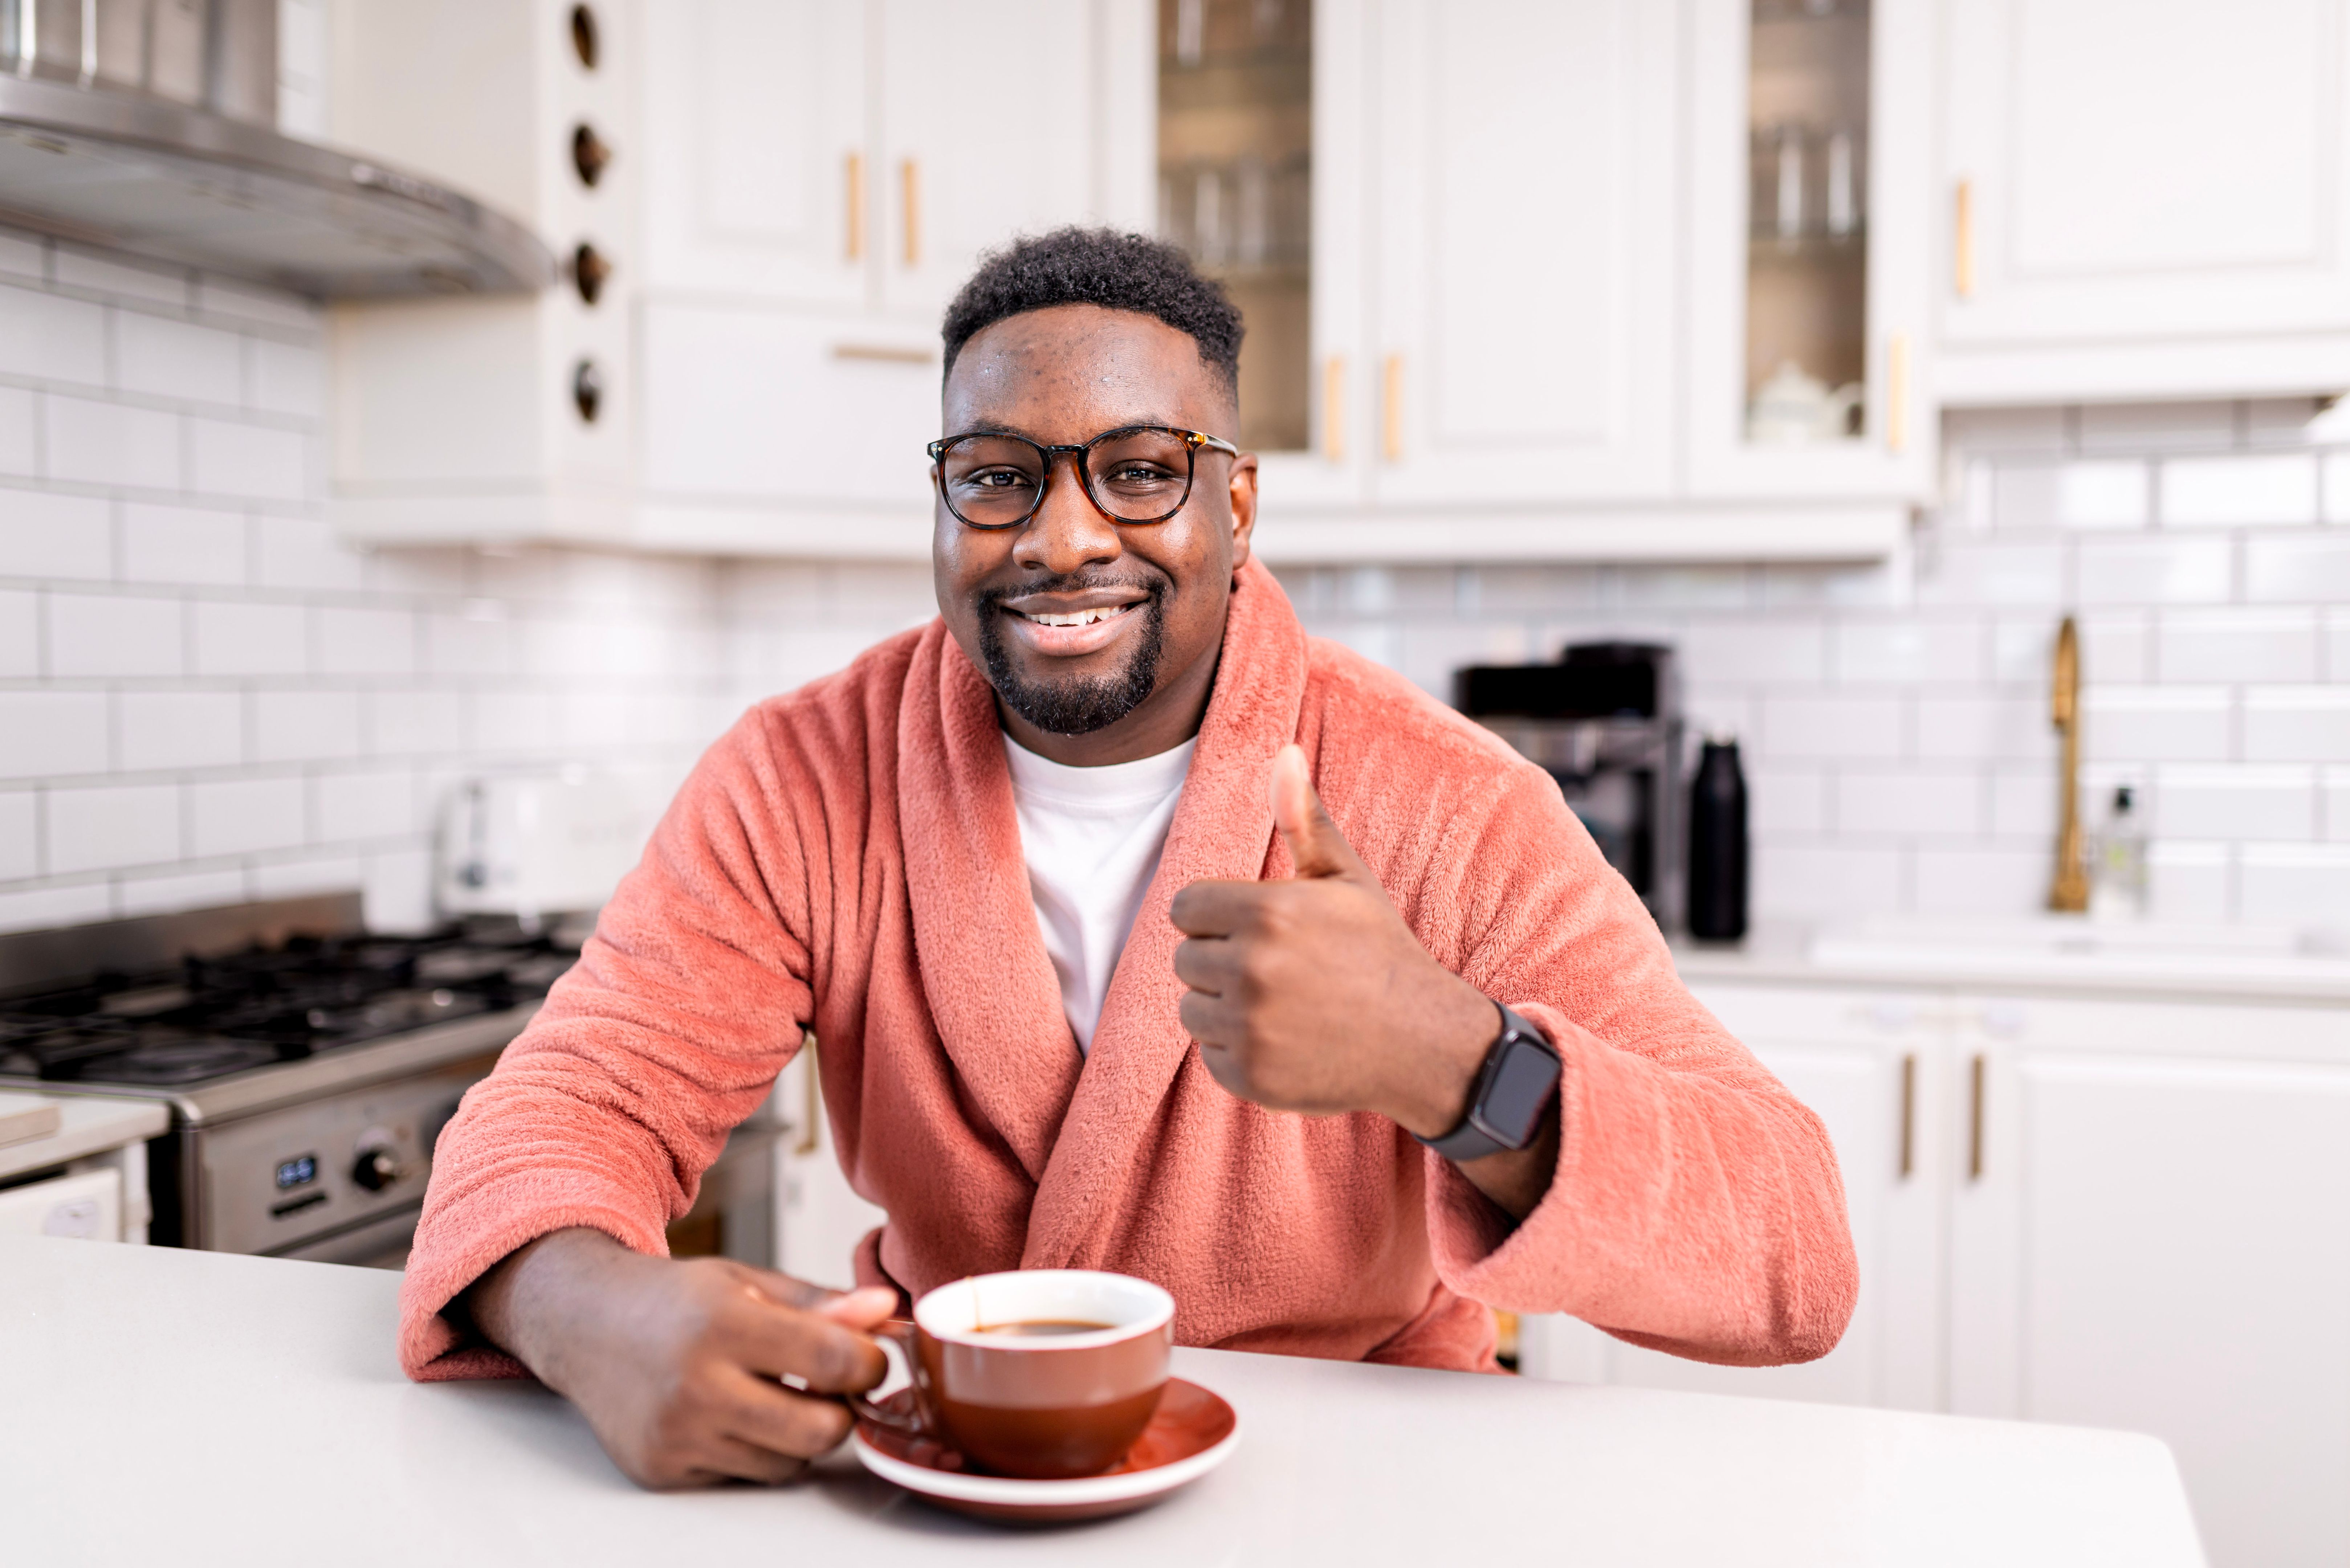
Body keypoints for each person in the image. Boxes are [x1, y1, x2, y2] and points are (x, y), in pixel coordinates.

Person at [398, 228, 1857, 1490]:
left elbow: (1789, 1252)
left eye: (1139, 473)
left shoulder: (1443, 803)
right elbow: (574, 1099)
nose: (1061, 536)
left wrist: (1454, 1061)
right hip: (950, 1458)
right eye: (996, 479)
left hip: (1367, 1478)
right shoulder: (804, 775)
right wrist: (591, 1315)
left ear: (1233, 503)